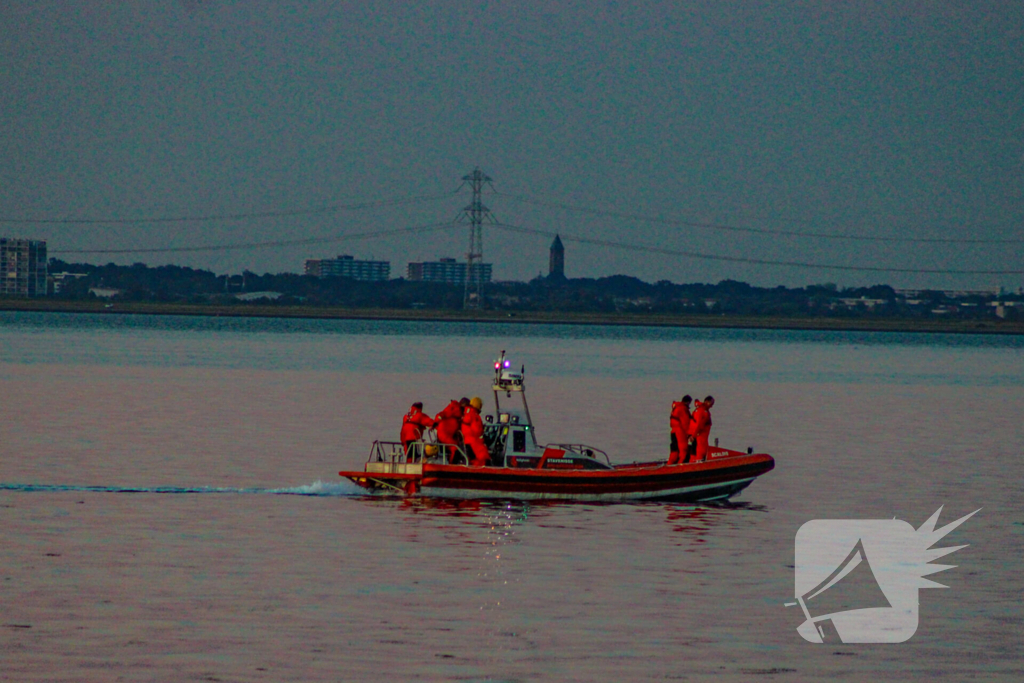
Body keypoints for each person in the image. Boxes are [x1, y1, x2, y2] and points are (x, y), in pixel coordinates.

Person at [461, 396, 489, 467]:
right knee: (484, 456)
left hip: (467, 441)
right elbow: (477, 430)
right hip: (474, 441)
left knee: (474, 459)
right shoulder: (474, 415)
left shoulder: (466, 413)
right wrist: (482, 436)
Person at [668, 395, 693, 465]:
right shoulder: (683, 409)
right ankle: (681, 464)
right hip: (680, 431)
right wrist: (689, 434)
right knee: (683, 449)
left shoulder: (676, 407)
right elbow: (685, 423)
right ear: (688, 402)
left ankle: (669, 465)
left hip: (673, 431)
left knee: (674, 450)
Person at [692, 396, 715, 462]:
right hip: (701, 434)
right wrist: (694, 435)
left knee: (703, 448)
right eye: (711, 403)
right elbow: (698, 424)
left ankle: (700, 460)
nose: (712, 406)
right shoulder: (702, 410)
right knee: (701, 448)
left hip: (703, 436)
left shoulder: (704, 410)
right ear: (707, 402)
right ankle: (698, 462)